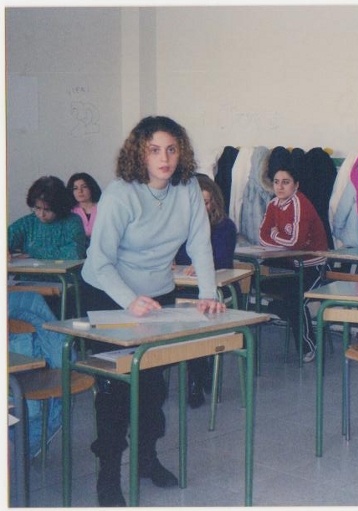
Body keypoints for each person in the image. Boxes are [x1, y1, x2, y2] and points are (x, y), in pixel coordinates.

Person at [81, 116, 226, 507]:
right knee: (115, 390)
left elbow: (200, 243)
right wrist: (129, 299)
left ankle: (147, 459)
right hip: (109, 294)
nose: (165, 158)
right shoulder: (120, 193)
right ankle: (108, 477)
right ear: (139, 153)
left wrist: (208, 294)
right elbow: (99, 261)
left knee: (152, 386)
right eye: (155, 150)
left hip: (158, 294)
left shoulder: (188, 188)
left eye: (172, 149)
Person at [174, 173, 237, 408]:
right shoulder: (180, 226)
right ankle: (201, 373)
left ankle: (195, 379)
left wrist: (200, 264)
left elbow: (222, 258)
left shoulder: (225, 226)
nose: (201, 207)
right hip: (186, 288)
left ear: (214, 203)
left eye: (206, 202)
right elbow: (175, 254)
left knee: (196, 319)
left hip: (216, 290)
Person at [259, 156, 328, 363]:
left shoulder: (300, 203)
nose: (280, 187)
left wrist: (274, 235)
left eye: (286, 182)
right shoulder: (273, 204)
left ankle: (309, 347)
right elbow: (261, 236)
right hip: (290, 267)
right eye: (276, 182)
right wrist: (279, 239)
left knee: (294, 299)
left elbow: (296, 243)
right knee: (256, 282)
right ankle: (276, 308)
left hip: (313, 268)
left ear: (296, 185)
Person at [8, 175, 86, 260]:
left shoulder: (72, 221)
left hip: (65, 269)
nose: (41, 214)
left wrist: (34, 253)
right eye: (37, 208)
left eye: (48, 210)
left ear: (60, 207)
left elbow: (76, 252)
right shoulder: (27, 222)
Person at [67, 172, 102, 244]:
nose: (80, 191)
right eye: (75, 188)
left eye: (84, 187)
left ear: (91, 188)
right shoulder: (70, 212)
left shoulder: (102, 208)